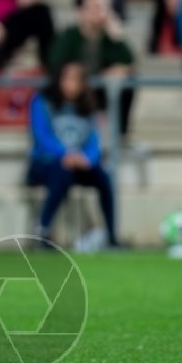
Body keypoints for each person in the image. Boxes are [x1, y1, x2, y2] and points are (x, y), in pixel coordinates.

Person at [27, 61, 119, 248]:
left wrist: (87, 159)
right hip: (46, 163)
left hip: (77, 163)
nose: (72, 84)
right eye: (68, 78)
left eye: (77, 79)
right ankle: (43, 232)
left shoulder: (88, 108)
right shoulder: (42, 101)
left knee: (104, 177)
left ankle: (111, 236)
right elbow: (41, 137)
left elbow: (94, 141)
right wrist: (65, 155)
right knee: (62, 173)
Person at [49, 0, 135, 138]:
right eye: (95, 7)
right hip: (76, 92)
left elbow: (128, 61)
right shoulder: (68, 36)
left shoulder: (110, 39)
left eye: (103, 8)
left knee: (128, 79)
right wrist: (93, 74)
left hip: (102, 93)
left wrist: (118, 37)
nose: (100, 12)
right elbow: (55, 63)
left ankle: (120, 134)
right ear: (81, 11)